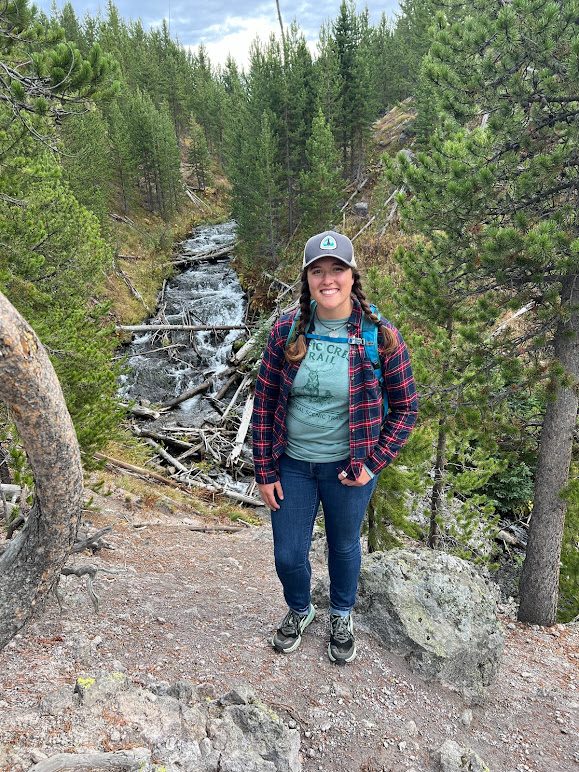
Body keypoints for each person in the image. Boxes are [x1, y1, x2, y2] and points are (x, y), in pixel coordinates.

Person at [252, 230, 418, 664]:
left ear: (352, 275)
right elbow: (264, 400)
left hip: (350, 466)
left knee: (344, 546)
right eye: (318, 271)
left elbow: (406, 409)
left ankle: (341, 614)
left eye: (337, 269)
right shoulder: (287, 330)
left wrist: (373, 464)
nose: (328, 280)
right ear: (307, 279)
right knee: (289, 554)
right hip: (292, 464)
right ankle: (300, 608)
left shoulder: (380, 337)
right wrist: (264, 470)